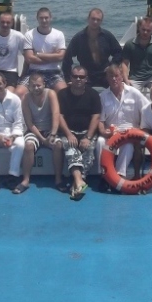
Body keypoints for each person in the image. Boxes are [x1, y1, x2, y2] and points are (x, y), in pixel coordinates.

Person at [54, 66, 101, 201]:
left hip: (87, 132)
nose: (78, 79)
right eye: (75, 76)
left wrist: (88, 137)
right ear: (70, 78)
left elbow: (96, 117)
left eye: (81, 77)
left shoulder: (93, 94)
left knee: (89, 150)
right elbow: (60, 116)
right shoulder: (62, 94)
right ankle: (79, 181)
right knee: (71, 149)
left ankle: (78, 182)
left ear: (86, 79)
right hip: (68, 132)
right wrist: (69, 134)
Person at [96, 64, 148, 179]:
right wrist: (103, 132)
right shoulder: (103, 96)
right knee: (100, 141)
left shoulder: (134, 93)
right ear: (107, 78)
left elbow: (147, 111)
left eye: (116, 76)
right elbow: (100, 120)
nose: (114, 79)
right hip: (111, 133)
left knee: (128, 146)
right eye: (111, 76)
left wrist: (141, 129)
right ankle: (104, 175)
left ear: (121, 76)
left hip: (129, 134)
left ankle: (119, 176)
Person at [17, 72, 60, 194]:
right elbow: (29, 123)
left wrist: (53, 134)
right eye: (33, 86)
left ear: (44, 84)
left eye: (39, 85)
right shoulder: (25, 98)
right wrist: (42, 139)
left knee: (58, 145)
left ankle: (58, 179)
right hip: (34, 131)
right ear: (29, 86)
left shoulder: (51, 94)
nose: (36, 88)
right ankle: (25, 180)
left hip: (50, 130)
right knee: (28, 145)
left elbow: (56, 114)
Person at [62, 8, 123, 88]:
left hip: (104, 73)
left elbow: (119, 52)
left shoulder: (107, 36)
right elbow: (67, 58)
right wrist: (68, 79)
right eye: (93, 19)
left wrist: (112, 65)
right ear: (88, 19)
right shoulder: (79, 38)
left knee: (119, 87)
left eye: (98, 20)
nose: (95, 22)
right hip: (86, 75)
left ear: (101, 21)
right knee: (76, 91)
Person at [121, 16, 152, 95]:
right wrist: (126, 80)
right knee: (128, 96)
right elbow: (124, 64)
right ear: (139, 28)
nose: (145, 32)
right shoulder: (129, 44)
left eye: (148, 30)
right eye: (143, 29)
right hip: (135, 79)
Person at [23, 7, 67, 91]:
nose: (44, 20)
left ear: (51, 18)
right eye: (41, 18)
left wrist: (38, 54)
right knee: (20, 92)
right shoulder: (29, 35)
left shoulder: (59, 34)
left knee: (63, 91)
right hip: (34, 71)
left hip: (54, 71)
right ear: (37, 18)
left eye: (46, 18)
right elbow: (29, 59)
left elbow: (60, 57)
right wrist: (53, 57)